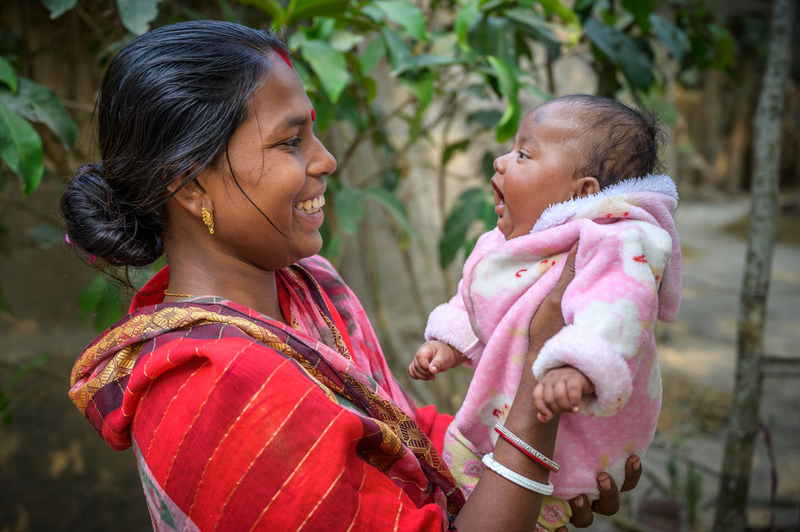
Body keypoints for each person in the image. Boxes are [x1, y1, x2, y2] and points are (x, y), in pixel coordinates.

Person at [61, 21, 641, 531]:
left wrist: (550, 468)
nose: (326, 159)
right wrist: (533, 425)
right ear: (189, 184)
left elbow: (397, 436)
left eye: (311, 131)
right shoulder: (219, 395)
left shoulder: (303, 288)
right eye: (289, 141)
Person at [409, 95, 682, 531]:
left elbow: (619, 305)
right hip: (498, 421)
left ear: (583, 191)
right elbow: (482, 292)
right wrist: (450, 338)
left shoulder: (614, 242)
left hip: (573, 431)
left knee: (526, 510)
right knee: (453, 496)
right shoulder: (512, 244)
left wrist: (577, 364)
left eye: (522, 154)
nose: (500, 162)